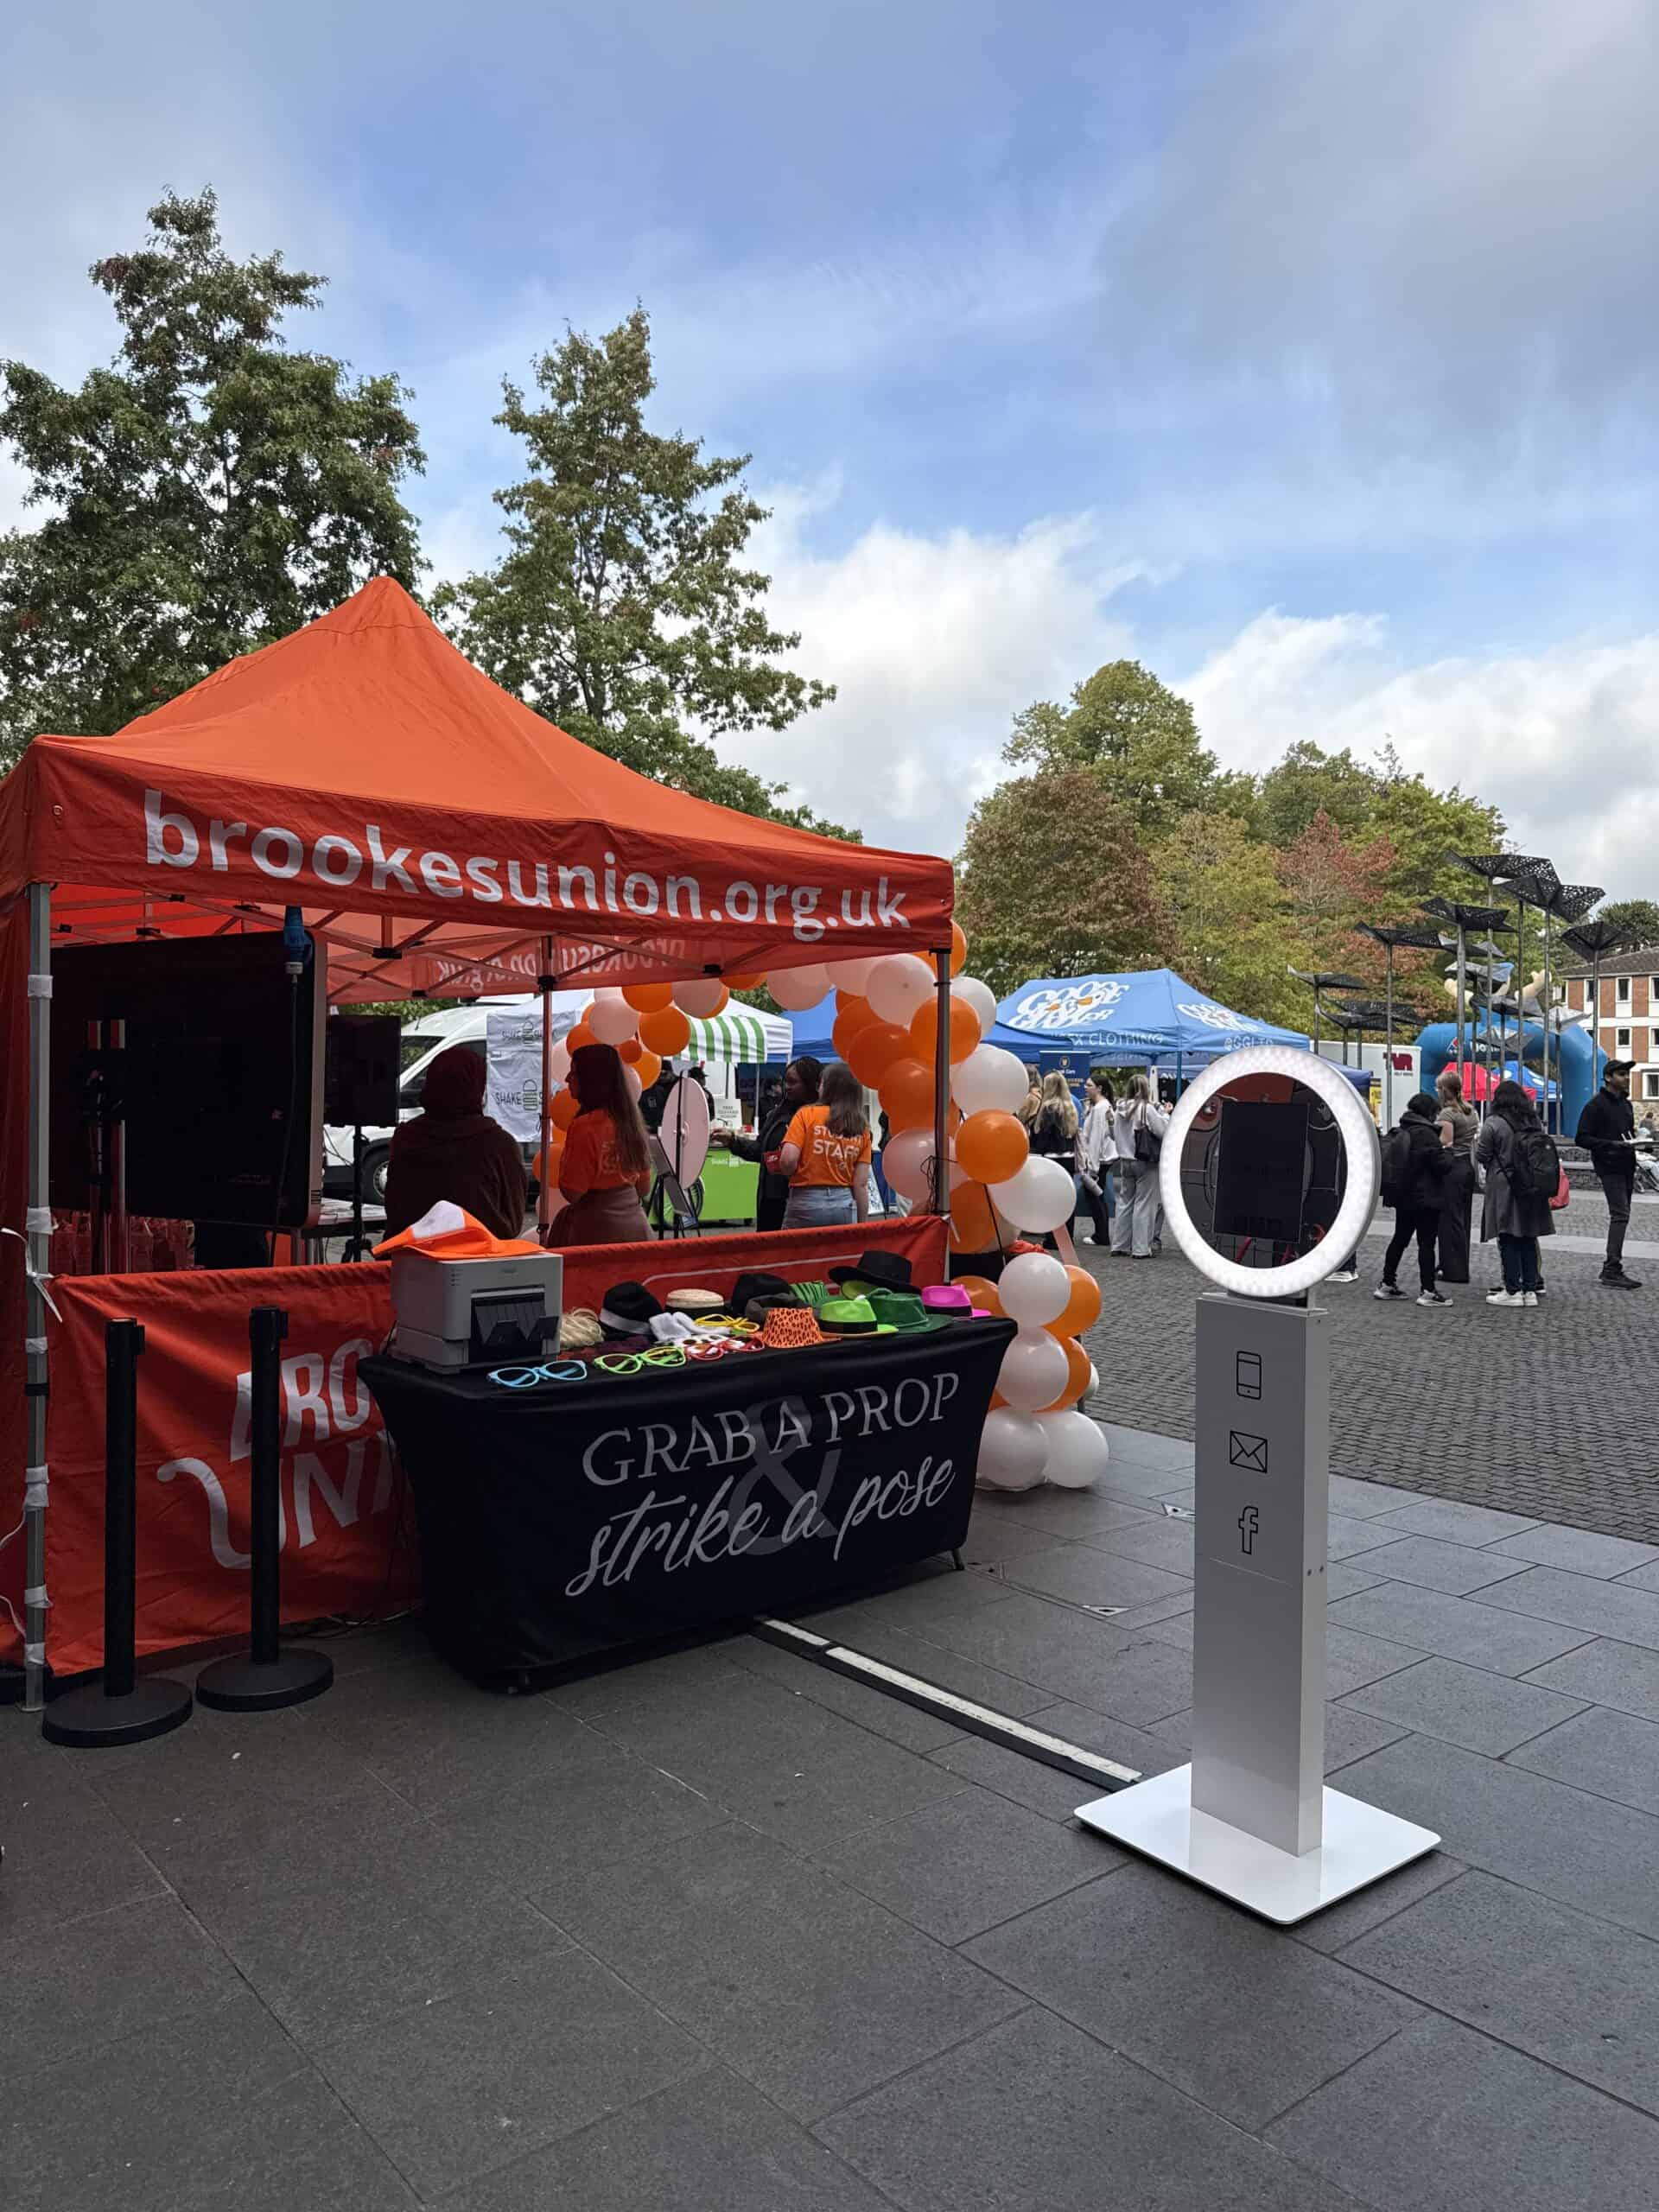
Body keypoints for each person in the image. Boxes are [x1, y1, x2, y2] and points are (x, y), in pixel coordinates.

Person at [383, 1044, 528, 1240]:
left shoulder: (406, 1138)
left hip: (409, 1253)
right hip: (478, 1256)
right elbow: (512, 1222)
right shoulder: (499, 1144)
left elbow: (395, 1209)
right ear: (478, 1087)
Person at [545, 1041, 652, 1246]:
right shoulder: (631, 1122)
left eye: (574, 1073)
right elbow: (644, 1188)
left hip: (597, 1233)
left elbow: (573, 1192)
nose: (567, 1079)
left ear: (591, 1080)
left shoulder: (585, 1127)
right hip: (637, 1231)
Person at [712, 1056, 823, 1232]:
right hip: (769, 1199)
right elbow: (760, 1150)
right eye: (786, 1081)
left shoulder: (820, 1117)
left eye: (793, 1082)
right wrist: (732, 1141)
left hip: (800, 1200)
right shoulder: (776, 1114)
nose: (787, 1087)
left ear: (810, 1084)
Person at [1475, 1077, 1554, 1306]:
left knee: (1507, 1235)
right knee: (1528, 1236)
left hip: (1505, 1185)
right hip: (1532, 1184)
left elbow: (1482, 1155)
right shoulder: (1533, 1120)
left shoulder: (1494, 1123)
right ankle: (1530, 1290)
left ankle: (1512, 1290)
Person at [1374, 1091, 1452, 1306]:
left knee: (1400, 1238)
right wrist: (1448, 1153)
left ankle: (1387, 1283)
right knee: (1426, 1244)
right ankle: (1428, 1290)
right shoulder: (1426, 1135)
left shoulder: (1403, 1130)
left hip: (1404, 1196)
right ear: (1430, 1112)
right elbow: (1440, 1166)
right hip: (1425, 1198)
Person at [778, 1060, 872, 1227]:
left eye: (821, 1084)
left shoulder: (806, 1115)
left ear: (827, 1088)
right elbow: (861, 1184)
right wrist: (862, 1225)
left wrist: (788, 1171)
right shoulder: (862, 1128)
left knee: (795, 1245)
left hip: (805, 1201)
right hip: (843, 1204)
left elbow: (788, 1161)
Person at [1575, 1058, 1643, 1290]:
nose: (1626, 1078)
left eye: (1627, 1074)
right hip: (1609, 1166)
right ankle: (1612, 1268)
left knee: (1623, 1214)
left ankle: (1612, 1267)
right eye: (1622, 1074)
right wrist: (1611, 1145)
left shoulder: (1626, 1105)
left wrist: (1639, 1145)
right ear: (1608, 1078)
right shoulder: (1595, 1106)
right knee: (1620, 1214)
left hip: (1627, 1165)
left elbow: (1628, 1136)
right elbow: (1582, 1138)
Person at [1109, 1073, 1167, 1258]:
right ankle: (1141, 1248)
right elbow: (1162, 1131)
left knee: (1124, 1202)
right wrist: (1165, 1114)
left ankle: (1120, 1245)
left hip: (1124, 1161)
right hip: (1144, 1161)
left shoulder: (1119, 1108)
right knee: (1144, 1204)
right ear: (1146, 1089)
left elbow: (1113, 1135)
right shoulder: (1147, 1109)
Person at [1435, 1069, 1479, 1285]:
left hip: (1452, 1168)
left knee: (1449, 1221)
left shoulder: (1447, 1114)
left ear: (1444, 1090)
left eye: (1438, 1088)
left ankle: (1453, 1269)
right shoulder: (1472, 1111)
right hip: (1467, 1167)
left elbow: (1445, 1142)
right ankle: (1460, 1264)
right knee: (1463, 1219)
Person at [1078, 1075, 1116, 1245]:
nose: (1085, 1087)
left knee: (1095, 1196)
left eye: (1089, 1085)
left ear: (1099, 1088)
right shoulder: (1101, 1107)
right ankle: (1101, 1234)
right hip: (1101, 1159)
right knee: (1097, 1196)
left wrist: (1092, 1166)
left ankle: (1101, 1235)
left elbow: (1096, 1138)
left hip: (1098, 1161)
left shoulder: (1100, 1108)